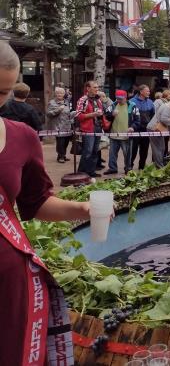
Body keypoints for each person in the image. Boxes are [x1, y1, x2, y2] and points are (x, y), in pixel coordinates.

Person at [0, 42, 92, 365]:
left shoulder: (22, 137)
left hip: (10, 283)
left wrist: (81, 209)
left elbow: (36, 202)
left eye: (3, 93)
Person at [76, 80, 108, 178]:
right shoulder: (83, 100)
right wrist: (93, 114)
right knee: (88, 151)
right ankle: (82, 172)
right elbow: (78, 116)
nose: (97, 89)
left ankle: (91, 171)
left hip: (98, 127)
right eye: (95, 87)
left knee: (95, 151)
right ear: (88, 88)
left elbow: (101, 113)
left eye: (97, 87)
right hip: (88, 129)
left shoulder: (98, 100)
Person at [104, 90, 137, 175]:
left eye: (121, 99)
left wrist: (132, 127)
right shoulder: (113, 105)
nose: (119, 100)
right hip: (114, 134)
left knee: (127, 154)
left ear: (125, 98)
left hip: (126, 135)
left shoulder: (132, 106)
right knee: (112, 154)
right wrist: (112, 114)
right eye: (117, 98)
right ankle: (112, 168)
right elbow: (106, 115)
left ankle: (128, 168)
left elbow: (137, 119)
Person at [147, 98, 170, 167]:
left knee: (161, 148)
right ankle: (159, 166)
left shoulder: (169, 108)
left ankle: (159, 165)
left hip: (156, 129)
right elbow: (163, 119)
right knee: (158, 149)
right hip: (154, 129)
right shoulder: (167, 108)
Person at [129, 85, 156, 170]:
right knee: (133, 149)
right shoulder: (131, 101)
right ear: (141, 92)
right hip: (135, 129)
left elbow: (153, 115)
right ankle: (129, 166)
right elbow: (128, 115)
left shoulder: (150, 102)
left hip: (146, 129)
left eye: (149, 91)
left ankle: (142, 167)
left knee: (144, 149)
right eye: (147, 91)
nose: (149, 92)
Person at [47, 86, 72, 162]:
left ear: (64, 94)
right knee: (60, 142)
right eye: (58, 93)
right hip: (58, 126)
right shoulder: (52, 102)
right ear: (55, 94)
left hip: (67, 125)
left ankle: (63, 155)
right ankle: (61, 156)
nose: (59, 94)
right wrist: (58, 109)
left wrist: (72, 115)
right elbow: (48, 114)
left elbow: (68, 113)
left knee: (66, 142)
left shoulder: (66, 102)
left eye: (61, 93)